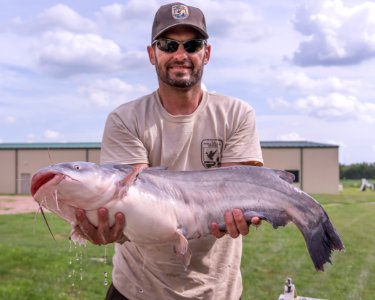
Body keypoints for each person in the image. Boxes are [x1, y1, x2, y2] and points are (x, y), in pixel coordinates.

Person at [74, 2, 264, 299]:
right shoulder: (125, 119)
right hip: (137, 290)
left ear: (207, 53)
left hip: (217, 291)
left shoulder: (237, 114)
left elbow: (241, 189)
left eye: (192, 44)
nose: (180, 55)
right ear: (152, 54)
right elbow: (139, 206)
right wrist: (105, 221)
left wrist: (241, 213)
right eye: (168, 44)